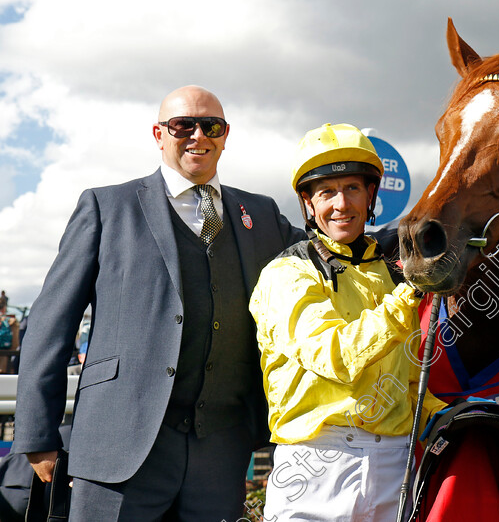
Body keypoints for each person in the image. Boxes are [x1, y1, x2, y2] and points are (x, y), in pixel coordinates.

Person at [13, 85, 305, 521]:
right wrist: (38, 435)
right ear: (159, 133)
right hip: (118, 450)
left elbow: (327, 253)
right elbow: (50, 325)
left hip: (220, 453)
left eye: (211, 126)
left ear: (225, 136)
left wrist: (413, 242)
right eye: (182, 125)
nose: (197, 136)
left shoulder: (261, 215)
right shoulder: (106, 206)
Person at [250, 123, 446, 521]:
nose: (341, 203)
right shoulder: (287, 273)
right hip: (315, 463)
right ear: (308, 202)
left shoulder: (390, 273)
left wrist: (447, 415)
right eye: (326, 192)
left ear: (371, 194)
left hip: (393, 461)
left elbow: (407, 380)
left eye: (352, 188)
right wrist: (410, 292)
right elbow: (334, 355)